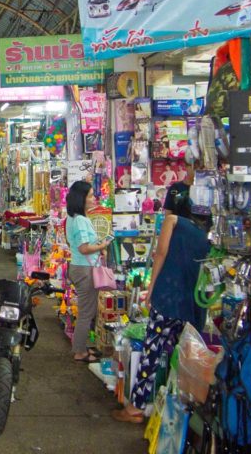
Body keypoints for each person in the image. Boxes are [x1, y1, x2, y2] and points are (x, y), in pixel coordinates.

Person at [115, 182, 210, 423]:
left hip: (168, 295)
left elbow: (160, 253)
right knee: (186, 356)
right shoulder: (206, 233)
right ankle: (180, 413)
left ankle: (136, 406)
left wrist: (152, 287)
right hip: (193, 303)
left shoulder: (173, 222)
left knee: (152, 350)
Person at [65, 181, 112, 365]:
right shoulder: (81, 220)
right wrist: (102, 245)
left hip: (79, 267)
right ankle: (79, 351)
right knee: (86, 313)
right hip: (84, 269)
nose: (94, 199)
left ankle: (81, 347)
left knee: (86, 311)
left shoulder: (72, 218)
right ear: (81, 198)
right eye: (91, 195)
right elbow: (84, 248)